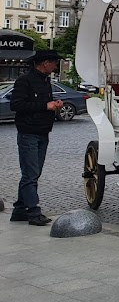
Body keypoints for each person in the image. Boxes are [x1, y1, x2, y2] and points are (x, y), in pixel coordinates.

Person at [9, 49, 63, 226]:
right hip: (28, 133)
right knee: (30, 174)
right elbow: (16, 104)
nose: (56, 65)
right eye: (54, 62)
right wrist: (45, 106)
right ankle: (33, 212)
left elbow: (43, 104)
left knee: (33, 173)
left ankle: (19, 209)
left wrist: (54, 105)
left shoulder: (46, 81)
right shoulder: (24, 80)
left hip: (42, 132)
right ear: (44, 63)